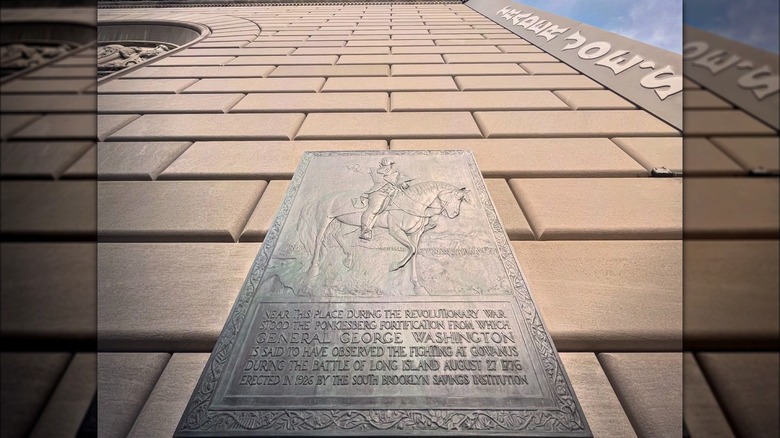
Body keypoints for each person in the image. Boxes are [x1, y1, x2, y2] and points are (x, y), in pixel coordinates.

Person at [348, 157, 413, 241]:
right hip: (378, 193)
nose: (387, 168)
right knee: (374, 209)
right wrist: (355, 167)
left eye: (389, 166)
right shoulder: (374, 170)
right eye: (385, 166)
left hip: (393, 192)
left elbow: (403, 183)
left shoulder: (396, 173)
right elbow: (363, 169)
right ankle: (365, 231)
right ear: (380, 165)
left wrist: (404, 184)